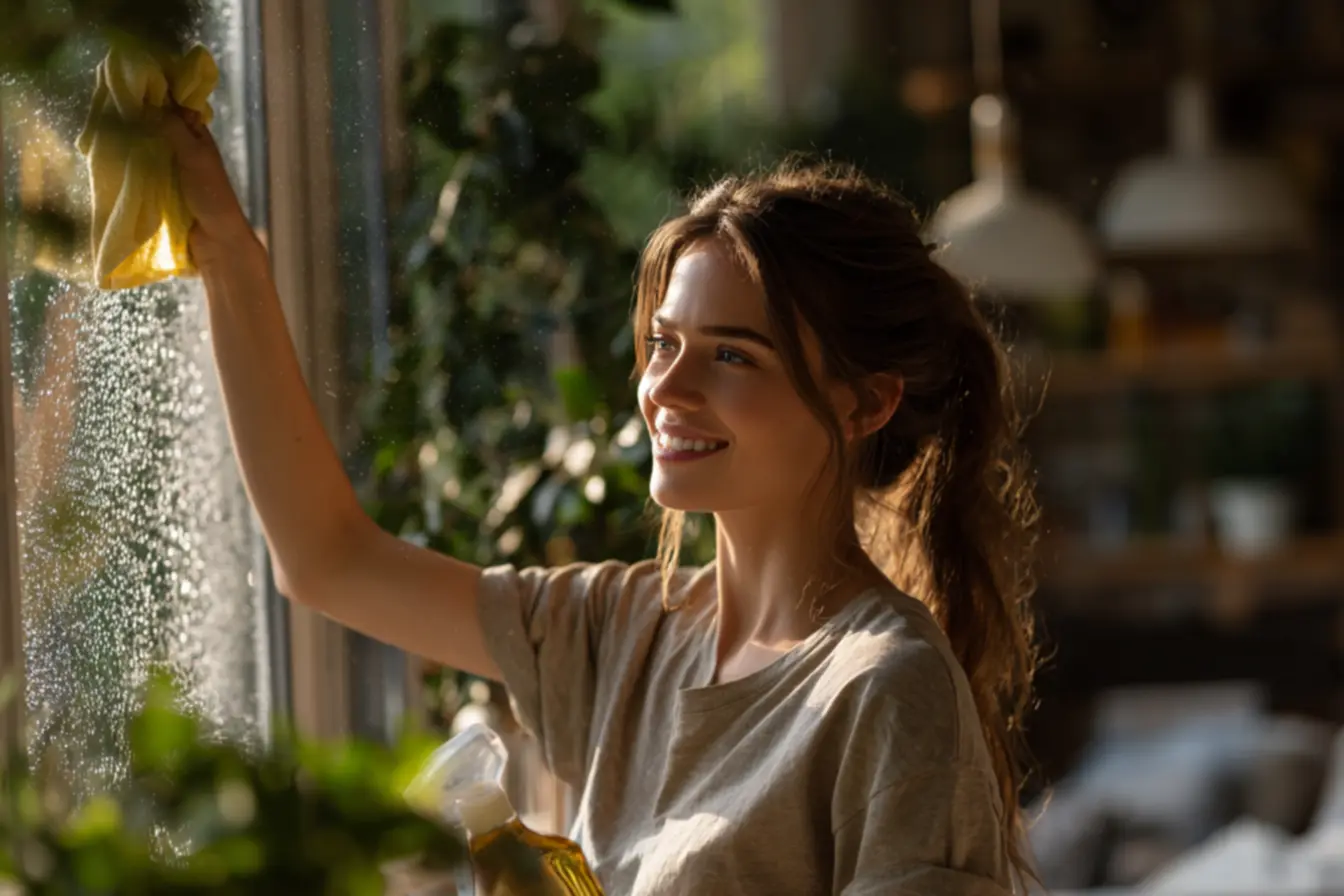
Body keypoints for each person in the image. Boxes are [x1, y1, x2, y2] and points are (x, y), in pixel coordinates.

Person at [163, 105, 1041, 894]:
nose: (668, 387)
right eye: (664, 342)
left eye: (732, 355)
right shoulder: (625, 633)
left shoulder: (889, 692)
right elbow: (328, 560)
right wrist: (231, 257)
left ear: (865, 402)